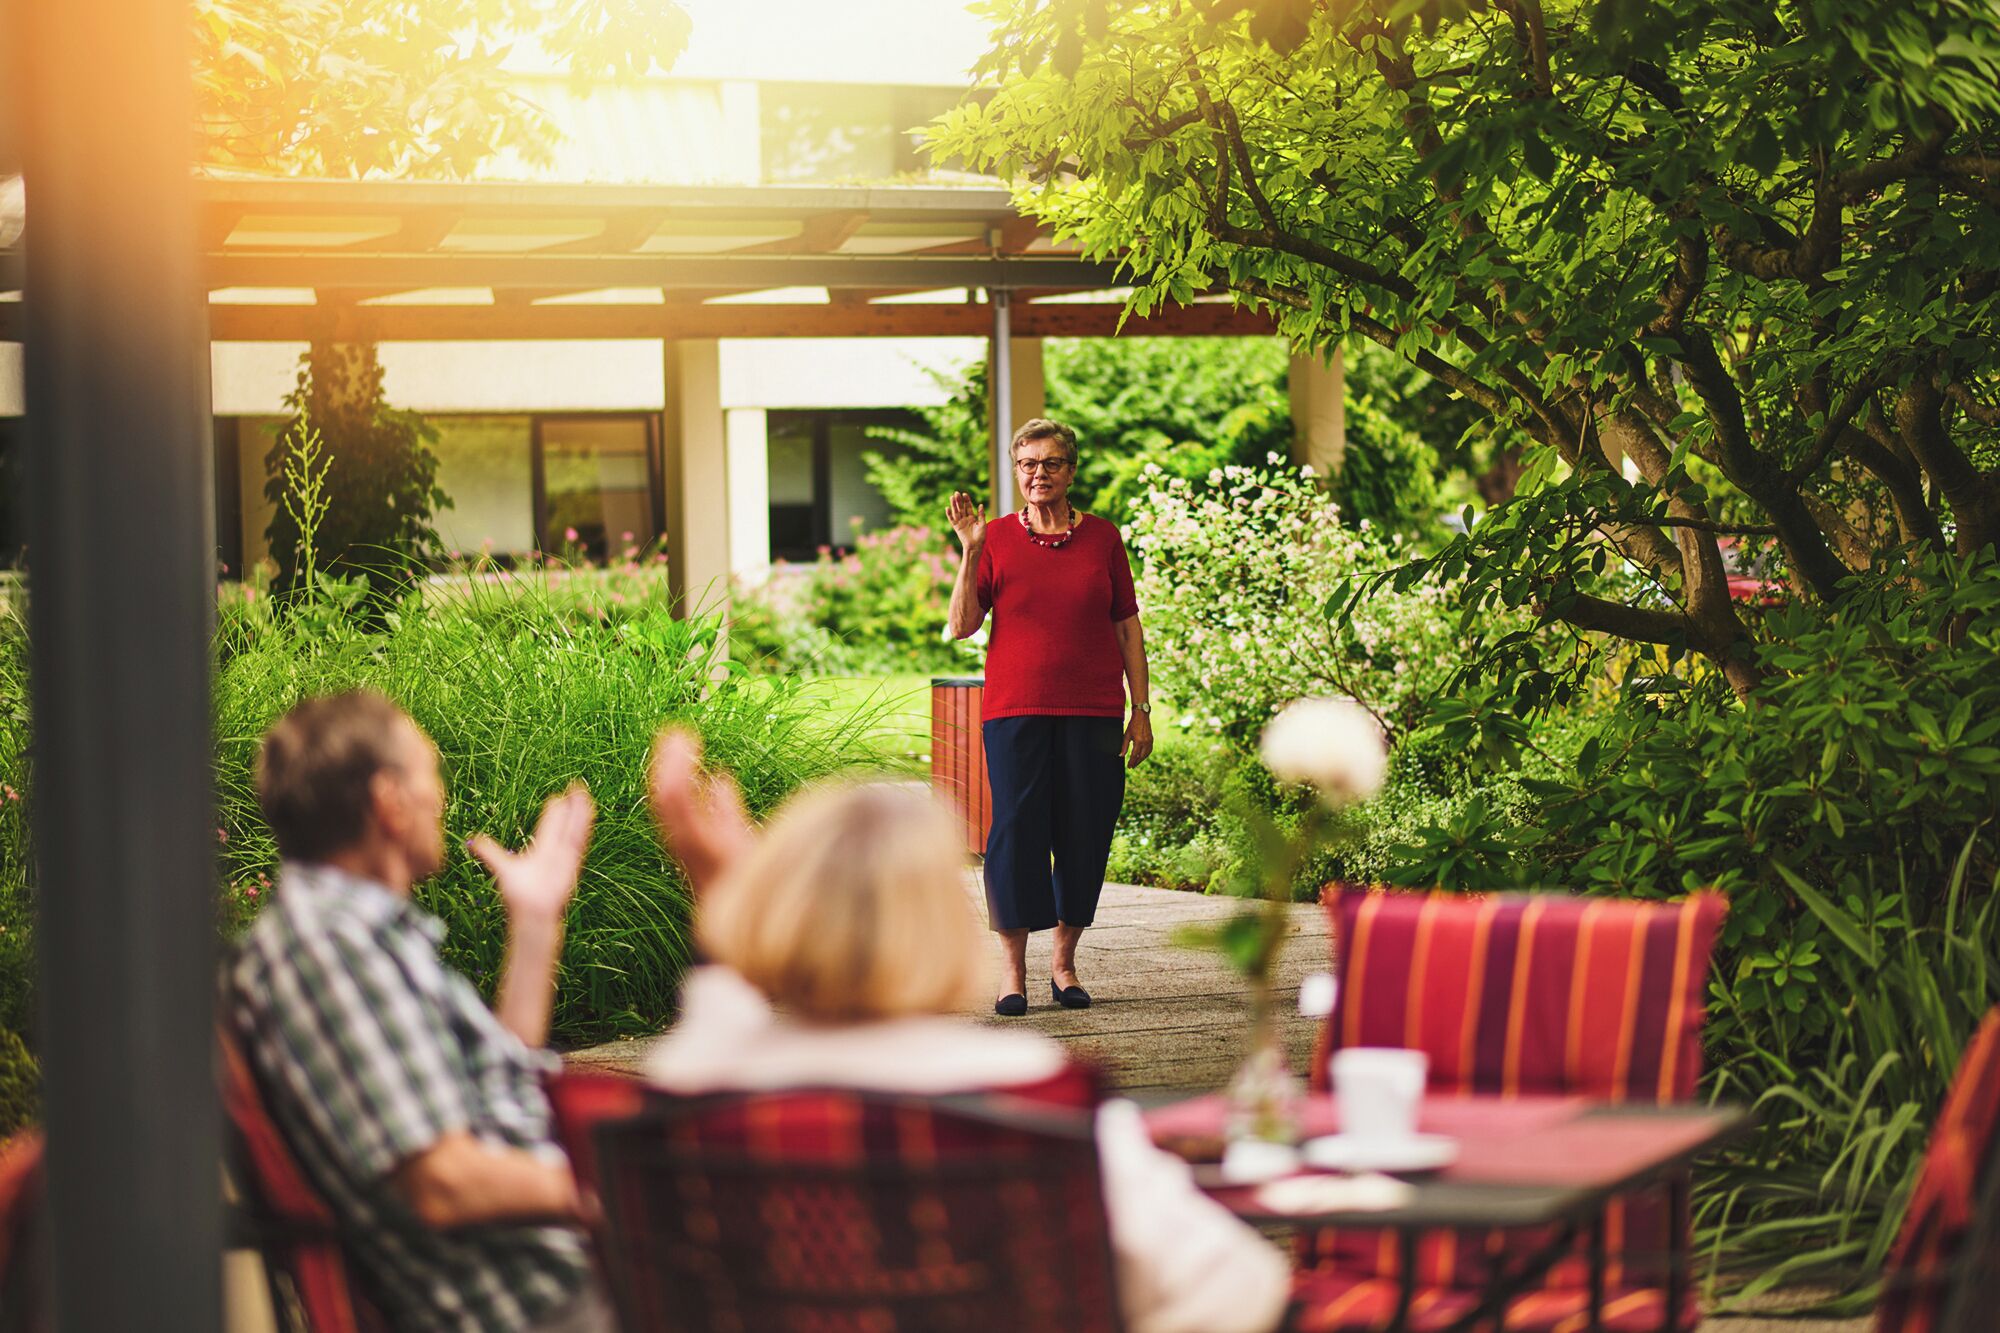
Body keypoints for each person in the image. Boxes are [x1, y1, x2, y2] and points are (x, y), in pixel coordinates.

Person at [643, 732, 1289, 1333]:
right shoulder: (1029, 1097)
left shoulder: (696, 1085)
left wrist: (726, 903)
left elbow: (719, 1021)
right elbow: (1240, 1285)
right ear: (947, 923)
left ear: (768, 911)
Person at [225, 690, 612, 1333]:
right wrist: (612, 1192)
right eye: (431, 770)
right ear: (388, 800)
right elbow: (445, 1182)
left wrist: (538, 919)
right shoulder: (328, 949)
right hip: (536, 1310)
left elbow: (491, 1097)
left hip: (560, 1287)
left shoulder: (353, 935)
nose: (441, 794)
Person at [945, 418, 1153, 1016]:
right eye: (1026, 464)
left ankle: (1064, 964)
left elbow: (1126, 626)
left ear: (1071, 470)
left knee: (1085, 835)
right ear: (1016, 472)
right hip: (1015, 711)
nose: (1038, 474)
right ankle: (1012, 975)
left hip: (1093, 711)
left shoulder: (1103, 539)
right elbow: (962, 625)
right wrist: (970, 550)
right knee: (1016, 835)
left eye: (1050, 463)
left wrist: (1140, 710)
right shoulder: (996, 539)